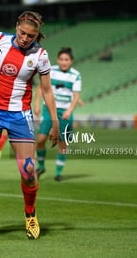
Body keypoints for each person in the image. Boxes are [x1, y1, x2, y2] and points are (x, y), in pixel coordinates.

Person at [0, 11, 59, 240]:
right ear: (16, 26)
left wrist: (55, 121)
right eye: (22, 32)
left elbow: (46, 90)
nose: (26, 38)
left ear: (37, 35)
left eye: (31, 35)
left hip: (20, 114)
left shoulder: (41, 56)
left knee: (28, 170)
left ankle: (30, 215)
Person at [34, 47, 81, 182]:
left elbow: (76, 95)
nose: (63, 62)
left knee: (62, 143)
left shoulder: (76, 75)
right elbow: (41, 87)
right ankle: (41, 166)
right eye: (61, 59)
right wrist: (36, 104)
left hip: (65, 113)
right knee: (41, 139)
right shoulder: (51, 70)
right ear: (57, 60)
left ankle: (58, 173)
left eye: (66, 59)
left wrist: (69, 110)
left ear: (71, 61)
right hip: (49, 110)